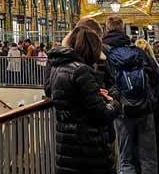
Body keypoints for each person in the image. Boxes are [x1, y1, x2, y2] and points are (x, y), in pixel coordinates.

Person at [45, 25, 121, 174]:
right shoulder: (82, 70)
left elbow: (71, 98)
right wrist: (113, 102)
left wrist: (94, 94)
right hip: (88, 149)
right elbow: (101, 114)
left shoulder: (58, 67)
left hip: (66, 146)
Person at [103, 16, 159, 174]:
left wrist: (114, 97)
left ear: (107, 28)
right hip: (145, 107)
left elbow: (102, 81)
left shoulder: (103, 52)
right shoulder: (137, 51)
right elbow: (157, 77)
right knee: (148, 156)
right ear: (123, 28)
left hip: (122, 109)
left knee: (125, 157)